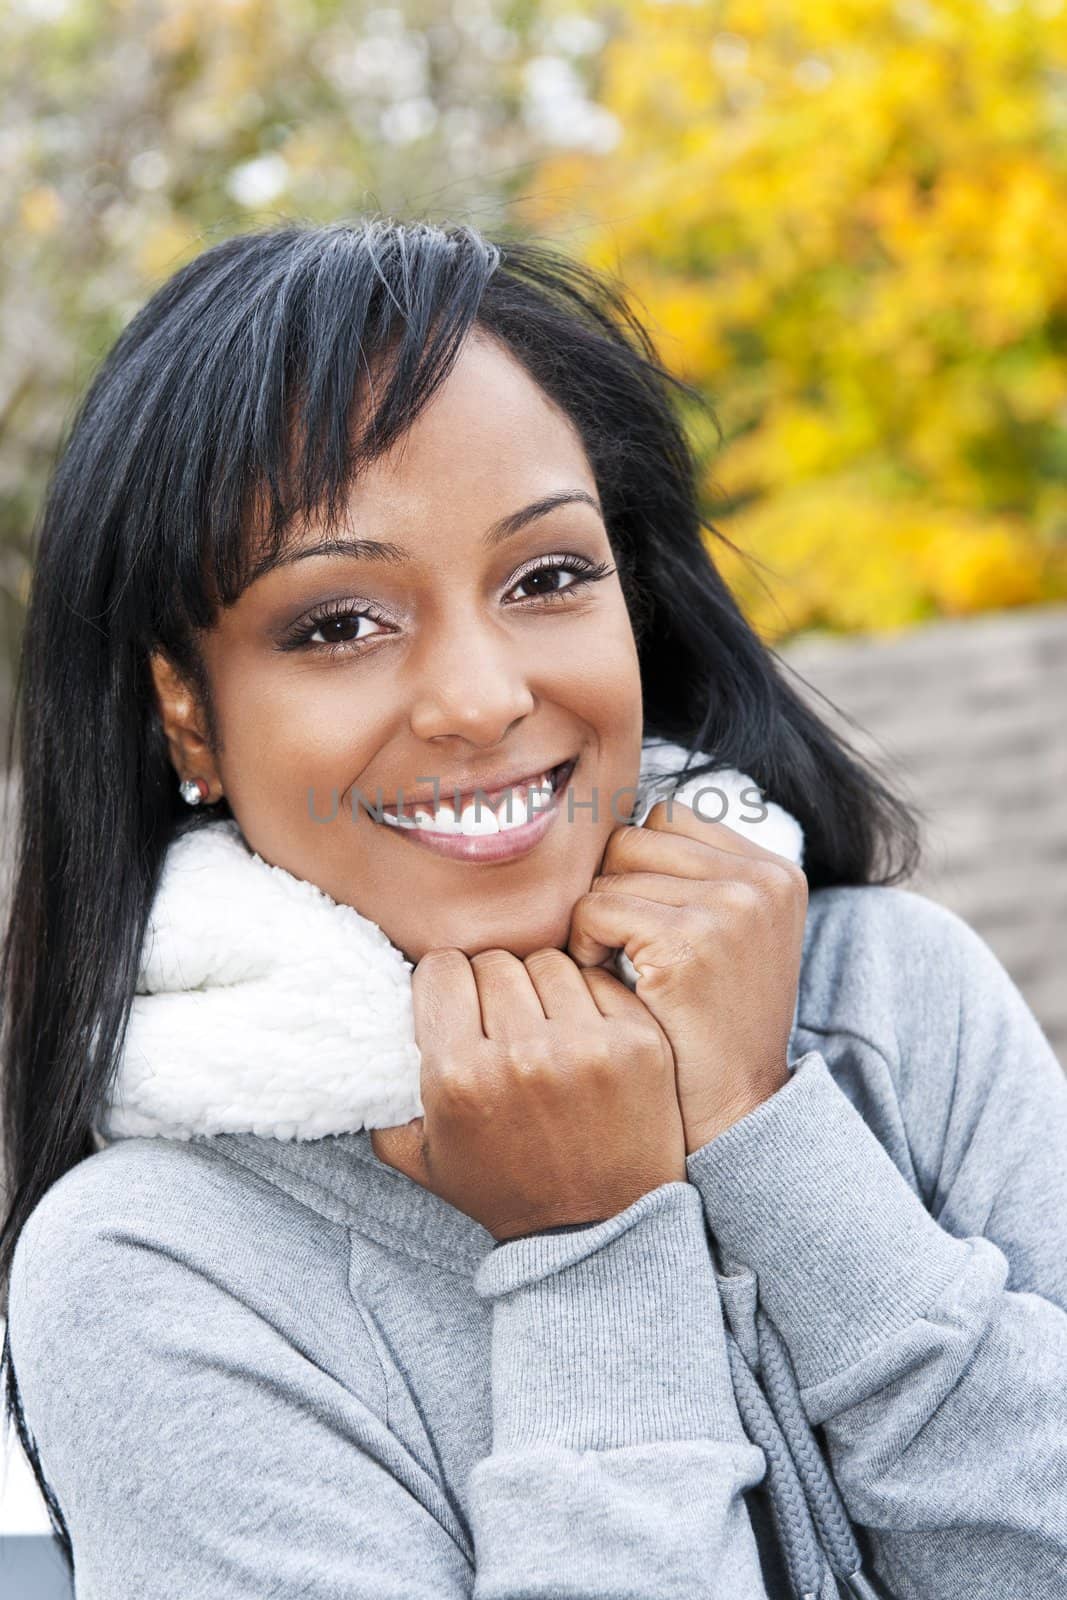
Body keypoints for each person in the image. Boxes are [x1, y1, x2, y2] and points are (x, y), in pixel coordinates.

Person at [0, 218, 1065, 1600]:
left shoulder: (890, 1000)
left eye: (547, 577)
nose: (484, 696)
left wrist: (766, 1134)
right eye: (336, 624)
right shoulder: (152, 1262)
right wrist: (586, 1257)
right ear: (187, 714)